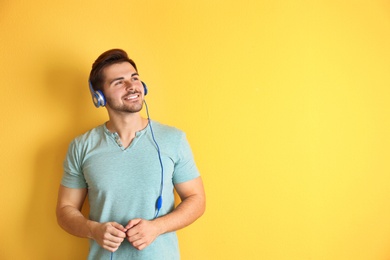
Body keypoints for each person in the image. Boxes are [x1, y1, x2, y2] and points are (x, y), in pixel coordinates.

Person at [56, 49, 206, 259]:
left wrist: (157, 227)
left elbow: (196, 199)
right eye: (118, 82)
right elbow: (65, 209)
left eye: (134, 78)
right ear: (99, 97)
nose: (132, 86)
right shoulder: (81, 146)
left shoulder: (174, 139)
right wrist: (93, 230)